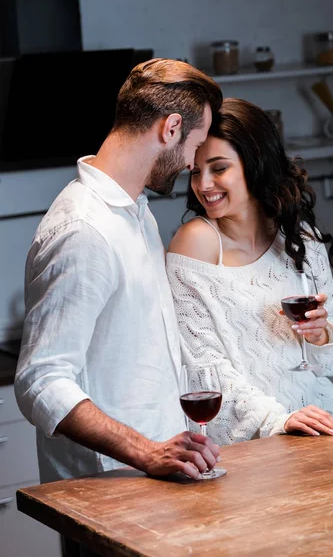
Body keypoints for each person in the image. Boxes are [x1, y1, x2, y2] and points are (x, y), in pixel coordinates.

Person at [14, 58, 224, 487]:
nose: (191, 163)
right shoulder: (83, 229)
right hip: (107, 490)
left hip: (154, 479)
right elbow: (41, 380)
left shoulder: (136, 213)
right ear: (170, 128)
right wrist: (147, 452)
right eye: (194, 145)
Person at [167, 98, 333, 445]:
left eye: (219, 168)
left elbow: (328, 364)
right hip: (255, 441)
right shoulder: (197, 243)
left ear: (255, 165)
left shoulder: (301, 237)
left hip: (322, 423)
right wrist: (278, 420)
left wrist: (321, 334)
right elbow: (203, 368)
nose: (203, 184)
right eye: (195, 170)